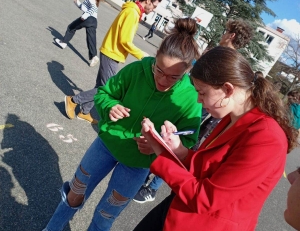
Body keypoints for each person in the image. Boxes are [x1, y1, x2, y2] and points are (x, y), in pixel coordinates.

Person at [42, 18, 202, 231]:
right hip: (107, 145)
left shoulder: (191, 97)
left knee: (105, 216)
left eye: (173, 77)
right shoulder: (136, 70)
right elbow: (104, 93)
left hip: (138, 165)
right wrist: (110, 106)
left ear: (186, 71)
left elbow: (189, 140)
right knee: (74, 194)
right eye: (159, 70)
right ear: (155, 58)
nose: (162, 80)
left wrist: (159, 147)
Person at [133, 46, 298, 231]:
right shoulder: (232, 117)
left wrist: (160, 149)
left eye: (202, 92)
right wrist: (179, 150)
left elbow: (205, 198)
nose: (198, 100)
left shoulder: (267, 137)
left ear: (227, 89)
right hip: (180, 208)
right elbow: (208, 167)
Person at [64, 0, 163, 124]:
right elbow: (124, 40)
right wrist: (142, 56)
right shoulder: (132, 13)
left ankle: (84, 111)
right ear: (148, 1)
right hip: (112, 53)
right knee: (106, 90)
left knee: (101, 85)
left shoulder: (133, 10)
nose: (153, 9)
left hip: (111, 51)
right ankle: (73, 100)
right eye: (154, 6)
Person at [192, 18, 254, 150]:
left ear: (231, 36)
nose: (223, 34)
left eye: (226, 31)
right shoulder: (234, 62)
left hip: (203, 100)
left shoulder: (220, 58)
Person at [54, 0, 103, 67]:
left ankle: (63, 42)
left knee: (71, 27)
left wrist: (85, 16)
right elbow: (85, 8)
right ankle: (94, 56)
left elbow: (92, 9)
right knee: (91, 39)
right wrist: (77, 3)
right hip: (94, 21)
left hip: (88, 18)